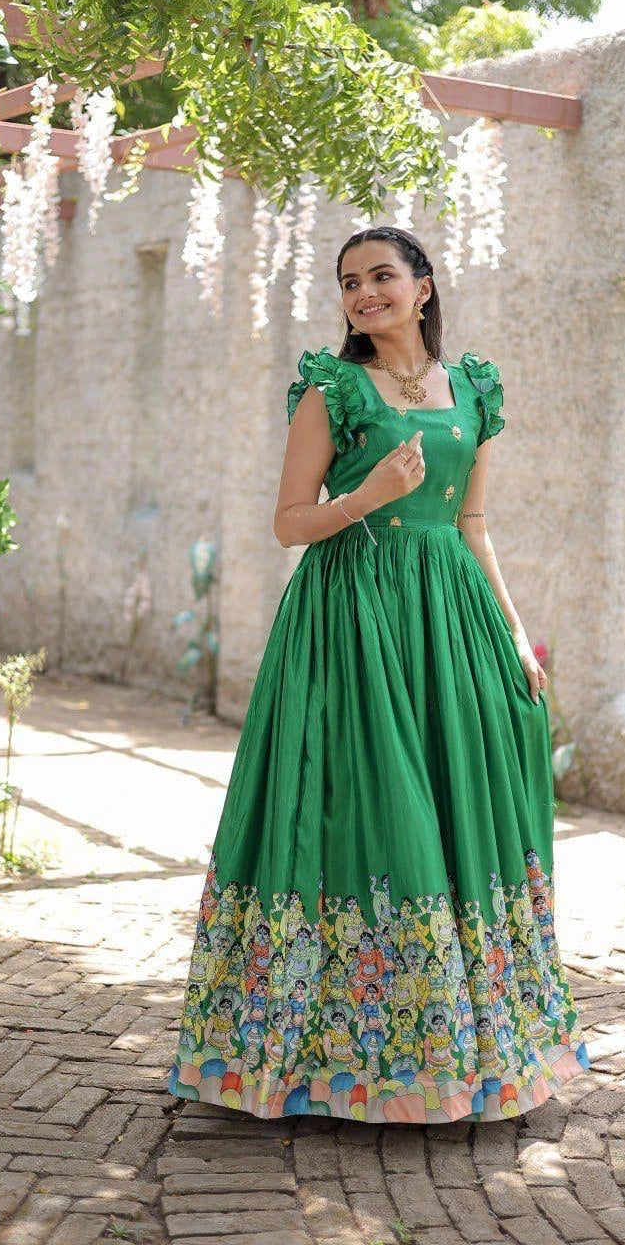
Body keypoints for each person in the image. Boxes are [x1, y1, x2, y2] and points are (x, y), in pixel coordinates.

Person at [167, 225, 591, 1123]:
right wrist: (364, 499)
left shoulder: (473, 389)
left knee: (459, 805)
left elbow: (473, 523)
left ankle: (468, 1055)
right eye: (350, 282)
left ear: (424, 287)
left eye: (383, 276)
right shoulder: (331, 390)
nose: (365, 294)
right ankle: (328, 1058)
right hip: (350, 617)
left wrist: (514, 631)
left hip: (450, 614)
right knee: (364, 805)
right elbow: (289, 522)